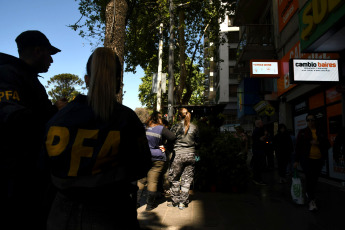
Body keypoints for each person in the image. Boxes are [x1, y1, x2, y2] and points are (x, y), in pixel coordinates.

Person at [42, 47, 152, 229]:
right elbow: (141, 166)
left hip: (62, 213)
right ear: (118, 82)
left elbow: (44, 166)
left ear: (87, 80)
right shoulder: (127, 119)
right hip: (112, 212)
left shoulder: (59, 118)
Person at [0, 30, 66, 229]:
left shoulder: (26, 77)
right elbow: (14, 121)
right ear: (38, 51)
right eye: (49, 54)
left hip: (29, 178)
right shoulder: (8, 75)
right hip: (15, 181)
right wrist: (55, 111)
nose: (51, 61)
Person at [137, 111, 176, 211]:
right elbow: (172, 137)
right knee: (153, 181)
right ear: (159, 119)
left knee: (141, 180)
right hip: (157, 158)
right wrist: (165, 148)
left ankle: (136, 203)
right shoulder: (161, 128)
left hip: (144, 156)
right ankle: (150, 205)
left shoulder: (144, 127)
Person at [294, 113, 330, 211]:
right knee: (310, 179)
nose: (310, 122)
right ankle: (311, 200)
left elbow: (327, 144)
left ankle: (309, 193)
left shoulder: (320, 131)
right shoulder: (302, 132)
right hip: (307, 160)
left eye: (312, 120)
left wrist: (318, 143)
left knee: (314, 180)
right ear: (306, 121)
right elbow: (298, 147)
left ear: (315, 121)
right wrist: (296, 160)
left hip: (318, 160)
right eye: (308, 120)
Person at [168, 108, 199, 210]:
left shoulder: (175, 127)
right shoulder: (194, 127)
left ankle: (175, 202)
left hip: (178, 155)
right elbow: (198, 142)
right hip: (191, 155)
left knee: (175, 178)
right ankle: (183, 203)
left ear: (179, 116)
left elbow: (170, 140)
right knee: (187, 180)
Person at [251, 119, 268, 185]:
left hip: (257, 150)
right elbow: (261, 139)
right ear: (258, 124)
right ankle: (258, 179)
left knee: (257, 165)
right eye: (261, 123)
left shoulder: (256, 131)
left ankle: (256, 179)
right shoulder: (258, 131)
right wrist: (265, 135)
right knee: (259, 165)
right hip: (259, 150)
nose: (262, 124)